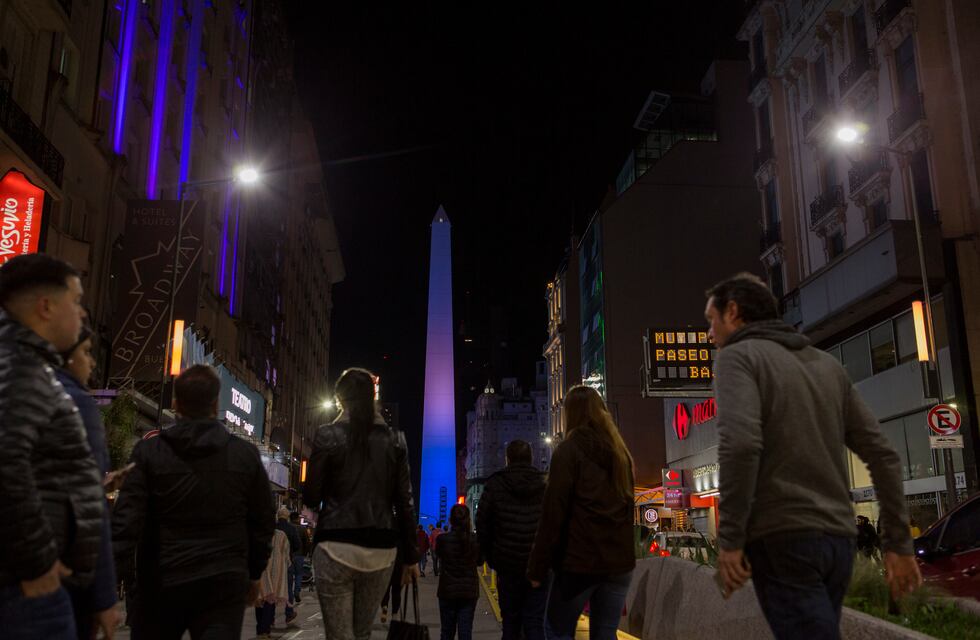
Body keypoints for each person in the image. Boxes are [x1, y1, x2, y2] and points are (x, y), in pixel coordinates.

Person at [705, 273, 922, 639]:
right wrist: (898, 544)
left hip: (782, 537)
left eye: (711, 321)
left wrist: (731, 539)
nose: (710, 335)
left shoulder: (737, 358)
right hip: (838, 542)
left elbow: (740, 446)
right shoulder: (826, 365)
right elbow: (883, 454)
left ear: (734, 312)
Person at [112, 364, 276, 639]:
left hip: (161, 581)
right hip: (222, 583)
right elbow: (262, 521)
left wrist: (106, 589)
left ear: (175, 403)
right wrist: (253, 572)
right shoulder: (245, 456)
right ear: (216, 405)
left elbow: (125, 523)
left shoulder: (149, 452)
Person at [0, 254, 104, 640]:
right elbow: (6, 459)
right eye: (75, 302)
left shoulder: (28, 363)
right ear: (45, 307)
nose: (81, 315)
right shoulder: (20, 368)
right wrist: (38, 561)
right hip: (27, 591)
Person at [303, 368, 420, 640]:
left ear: (340, 400)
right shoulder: (395, 441)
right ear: (373, 399)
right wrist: (411, 557)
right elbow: (405, 504)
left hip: (334, 547)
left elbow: (311, 496)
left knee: (340, 635)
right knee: (362, 632)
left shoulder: (327, 435)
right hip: (380, 551)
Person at [527, 385, 636, 640]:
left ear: (571, 414)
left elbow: (553, 514)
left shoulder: (568, 452)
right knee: (605, 635)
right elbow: (627, 510)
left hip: (580, 563)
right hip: (619, 564)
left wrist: (537, 568)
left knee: (556, 631)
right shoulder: (621, 455)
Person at [56, 324, 125, 640]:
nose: (92, 362)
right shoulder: (78, 404)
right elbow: (89, 511)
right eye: (85, 353)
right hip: (64, 575)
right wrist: (104, 596)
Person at [476, 439, 547, 640]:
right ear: (531, 458)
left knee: (510, 622)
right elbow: (556, 521)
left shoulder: (495, 483)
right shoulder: (545, 483)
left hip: (507, 566)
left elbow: (482, 522)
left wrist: (491, 557)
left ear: (507, 459)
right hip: (538, 566)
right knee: (535, 622)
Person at [437, 504, 482, 640]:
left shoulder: (442, 540)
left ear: (451, 520)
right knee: (465, 631)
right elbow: (480, 561)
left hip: (447, 591)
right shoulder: (474, 540)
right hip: (469, 592)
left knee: (446, 632)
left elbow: (439, 556)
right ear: (468, 520)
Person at [254, 527, 291, 639]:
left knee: (260, 598)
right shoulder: (282, 535)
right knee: (270, 599)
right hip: (276, 570)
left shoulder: (257, 532)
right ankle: (265, 630)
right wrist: (287, 564)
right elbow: (286, 553)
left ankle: (261, 629)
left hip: (260, 567)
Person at [275, 507, 300, 624]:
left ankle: (269, 618)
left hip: (273, 562)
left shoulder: (273, 527)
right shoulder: (292, 528)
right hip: (286, 561)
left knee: (272, 588)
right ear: (287, 516)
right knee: (288, 587)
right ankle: (289, 613)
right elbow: (297, 544)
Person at [289, 512, 307, 604]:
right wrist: (306, 553)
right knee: (299, 574)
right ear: (297, 519)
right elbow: (306, 542)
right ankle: (297, 591)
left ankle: (290, 595)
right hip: (299, 555)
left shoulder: (288, 528)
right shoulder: (302, 529)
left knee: (290, 576)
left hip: (289, 555)